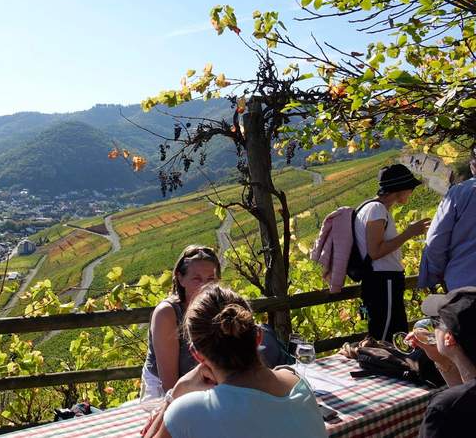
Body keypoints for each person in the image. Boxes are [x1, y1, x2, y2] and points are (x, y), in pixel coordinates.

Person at [143, 286, 326, 438]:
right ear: (259, 337)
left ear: (197, 355)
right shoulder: (298, 384)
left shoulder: (187, 413)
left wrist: (174, 395)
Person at [354, 163, 429, 341]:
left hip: (383, 280)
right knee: (387, 336)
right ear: (400, 189)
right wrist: (409, 233)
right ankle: (383, 366)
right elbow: (375, 251)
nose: (411, 192)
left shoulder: (375, 209)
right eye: (410, 188)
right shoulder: (376, 209)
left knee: (394, 332)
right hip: (383, 279)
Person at [141, 245, 221, 400]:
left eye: (210, 279)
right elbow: (170, 385)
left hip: (208, 386)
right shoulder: (166, 314)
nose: (204, 286)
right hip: (165, 396)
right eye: (196, 279)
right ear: (180, 278)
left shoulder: (217, 307)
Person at [408, 287, 476, 437]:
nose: (433, 328)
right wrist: (441, 360)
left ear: (449, 338)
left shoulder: (444, 407)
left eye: (437, 322)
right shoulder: (459, 400)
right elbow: (465, 392)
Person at [418, 151, 476, 292]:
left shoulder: (459, 193)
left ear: (473, 166)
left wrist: (437, 272)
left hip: (465, 286)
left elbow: (435, 240)